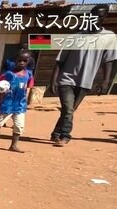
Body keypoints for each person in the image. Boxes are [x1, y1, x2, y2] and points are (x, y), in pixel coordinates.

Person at [50, 4, 115, 146]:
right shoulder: (75, 36)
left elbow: (108, 61)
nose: (95, 18)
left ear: (105, 17)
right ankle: (65, 135)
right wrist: (53, 80)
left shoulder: (109, 37)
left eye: (99, 15)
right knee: (68, 109)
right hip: (66, 79)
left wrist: (106, 81)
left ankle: (56, 133)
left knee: (70, 110)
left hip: (85, 81)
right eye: (92, 15)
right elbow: (60, 60)